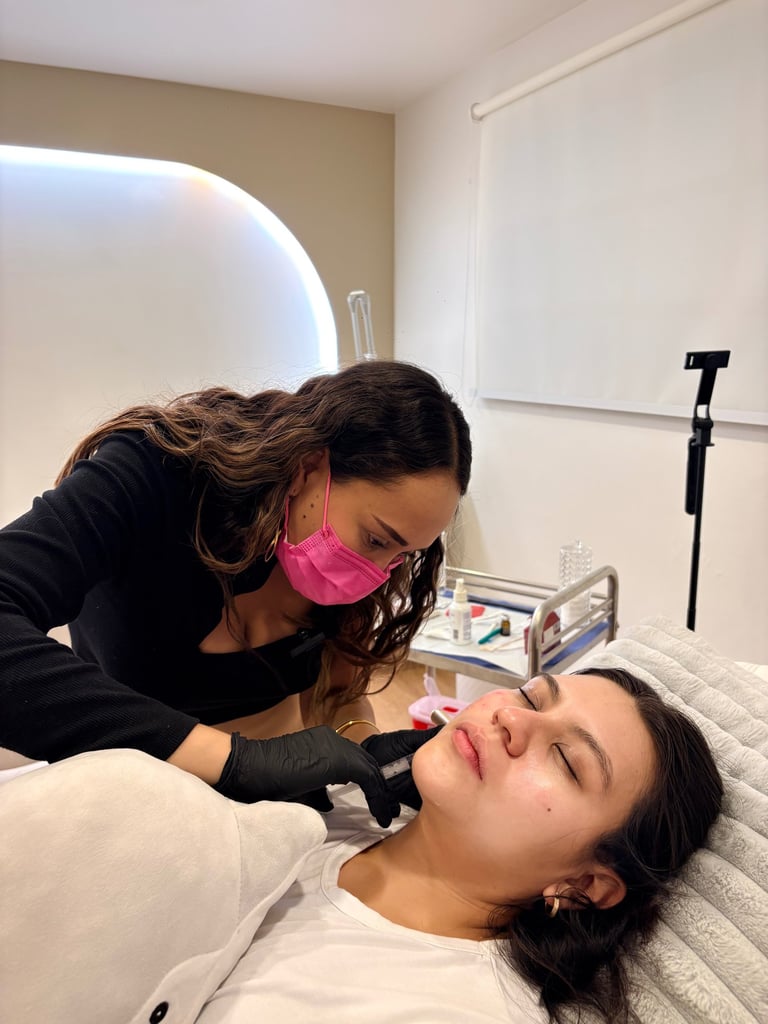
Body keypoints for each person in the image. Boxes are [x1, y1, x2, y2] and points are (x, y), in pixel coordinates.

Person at [0, 360, 471, 824]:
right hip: (138, 805)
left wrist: (366, 746)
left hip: (283, 815)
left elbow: (339, 693)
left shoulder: (357, 566)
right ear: (310, 466)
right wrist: (236, 762)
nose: (376, 574)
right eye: (375, 539)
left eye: (401, 555)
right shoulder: (153, 476)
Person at [196, 668, 724, 1024]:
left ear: (583, 884)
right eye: (529, 697)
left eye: (566, 760)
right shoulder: (341, 806)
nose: (510, 718)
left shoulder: (452, 1008)